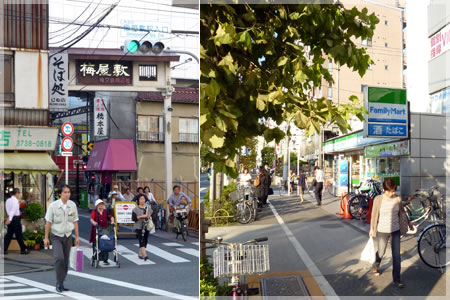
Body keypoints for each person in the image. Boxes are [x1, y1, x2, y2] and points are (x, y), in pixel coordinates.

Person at [369, 179, 413, 288]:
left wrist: (408, 222)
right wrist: (371, 228)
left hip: (396, 230)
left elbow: (402, 212)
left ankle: (396, 279)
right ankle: (376, 265)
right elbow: (374, 215)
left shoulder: (397, 199)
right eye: (389, 191)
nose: (391, 193)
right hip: (382, 230)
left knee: (396, 256)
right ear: (384, 190)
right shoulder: (378, 199)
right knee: (381, 252)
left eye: (393, 191)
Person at [44, 185, 79, 293]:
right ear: (60, 194)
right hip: (56, 236)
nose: (67, 194)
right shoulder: (53, 206)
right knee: (59, 258)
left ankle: (61, 282)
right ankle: (59, 282)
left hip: (68, 236)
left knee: (65, 261)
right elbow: (48, 223)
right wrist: (46, 238)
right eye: (65, 192)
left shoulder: (72, 205)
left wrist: (77, 237)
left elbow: (75, 221)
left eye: (68, 192)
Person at [4, 188, 29, 255]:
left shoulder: (8, 200)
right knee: (19, 235)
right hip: (15, 219)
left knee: (9, 234)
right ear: (17, 193)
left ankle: (4, 249)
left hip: (11, 217)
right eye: (19, 193)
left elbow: (8, 210)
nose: (19, 195)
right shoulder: (15, 201)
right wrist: (10, 219)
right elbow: (13, 210)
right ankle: (23, 249)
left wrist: (9, 218)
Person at [89, 199, 114, 265]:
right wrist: (94, 223)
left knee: (105, 243)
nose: (101, 205)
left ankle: (105, 259)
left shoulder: (105, 211)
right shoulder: (94, 211)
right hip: (96, 229)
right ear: (97, 205)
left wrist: (112, 221)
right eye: (100, 204)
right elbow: (91, 219)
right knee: (96, 243)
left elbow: (111, 217)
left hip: (104, 229)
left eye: (102, 204)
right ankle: (96, 257)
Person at [132, 194, 152, 261]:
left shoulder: (148, 208)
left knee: (145, 240)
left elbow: (151, 216)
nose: (142, 200)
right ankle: (145, 255)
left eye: (143, 199)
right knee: (141, 240)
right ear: (138, 200)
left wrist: (149, 217)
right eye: (141, 199)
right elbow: (133, 218)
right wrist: (141, 216)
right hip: (138, 226)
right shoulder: (135, 209)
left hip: (146, 226)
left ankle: (140, 254)